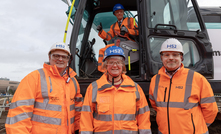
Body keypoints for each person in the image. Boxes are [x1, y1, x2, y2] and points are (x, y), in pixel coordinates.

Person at [5, 42, 83, 134]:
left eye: (64, 56)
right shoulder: (34, 78)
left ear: (68, 60)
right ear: (49, 57)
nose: (60, 59)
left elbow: (78, 112)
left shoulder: (73, 82)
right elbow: (18, 117)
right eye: (56, 56)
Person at [149, 38, 218, 134]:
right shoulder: (155, 80)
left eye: (175, 54)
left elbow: (211, 109)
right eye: (166, 55)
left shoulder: (197, 79)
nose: (171, 58)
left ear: (181, 57)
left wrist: (198, 126)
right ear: (161, 57)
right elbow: (157, 107)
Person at [80, 46, 152, 134]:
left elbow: (143, 119)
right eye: (111, 62)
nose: (115, 66)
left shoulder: (135, 88)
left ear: (122, 65)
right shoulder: (94, 88)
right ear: (105, 65)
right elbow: (86, 119)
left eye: (118, 62)